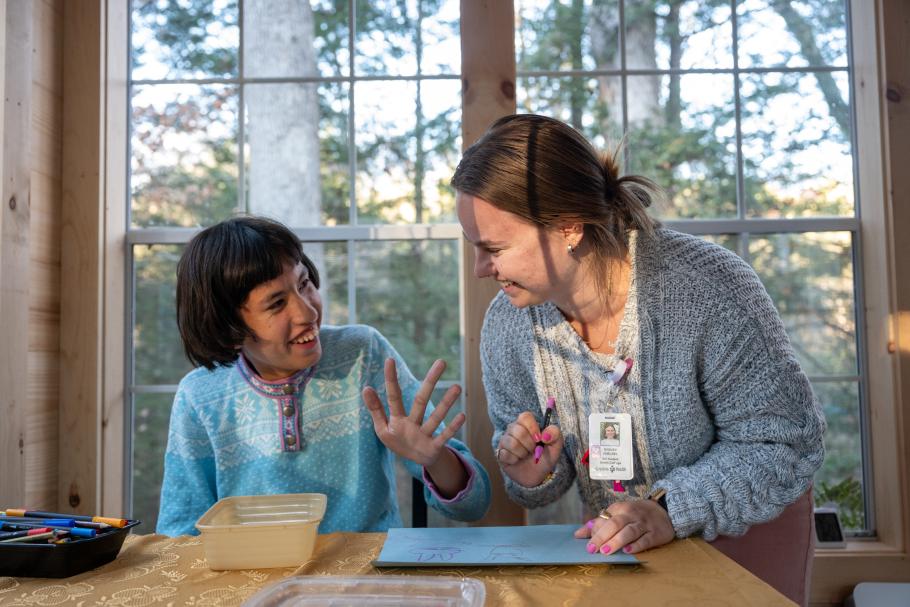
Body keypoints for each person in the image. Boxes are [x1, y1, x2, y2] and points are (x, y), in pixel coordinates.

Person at [452, 114, 825, 559]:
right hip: (629, 552)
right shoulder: (508, 324)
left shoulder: (709, 289)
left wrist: (669, 509)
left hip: (745, 540)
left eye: (493, 249)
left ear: (568, 227)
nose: (479, 269)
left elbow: (781, 442)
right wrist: (533, 472)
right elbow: (539, 488)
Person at [156, 215, 491, 536]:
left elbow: (473, 506)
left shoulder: (363, 352)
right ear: (228, 328)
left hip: (368, 583)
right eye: (276, 304)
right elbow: (179, 535)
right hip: (254, 587)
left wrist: (435, 460)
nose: (308, 311)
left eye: (304, 284)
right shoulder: (199, 396)